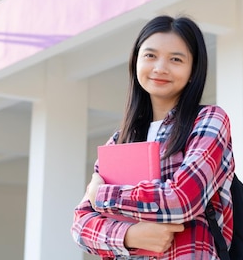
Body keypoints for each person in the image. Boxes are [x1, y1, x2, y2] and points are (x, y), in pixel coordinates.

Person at [71, 15, 234, 259]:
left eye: (176, 59)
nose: (160, 68)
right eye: (150, 55)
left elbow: (182, 199)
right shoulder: (120, 140)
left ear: (193, 70)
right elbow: (81, 226)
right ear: (136, 61)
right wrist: (131, 235)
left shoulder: (209, 120)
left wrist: (103, 195)